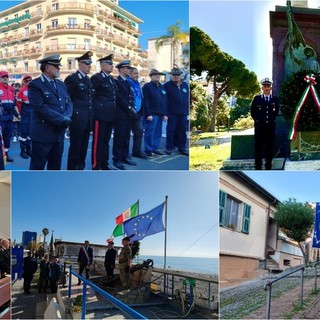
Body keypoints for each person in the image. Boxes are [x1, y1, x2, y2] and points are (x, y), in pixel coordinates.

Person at [28, 54, 73, 170]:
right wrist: (62, 119)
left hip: (58, 135)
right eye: (56, 66)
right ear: (48, 68)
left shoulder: (61, 84)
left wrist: (68, 116)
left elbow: (69, 103)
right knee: (37, 168)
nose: (59, 69)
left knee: (55, 167)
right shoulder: (35, 85)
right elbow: (40, 108)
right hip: (43, 135)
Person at [65, 51, 94, 170]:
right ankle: (71, 170)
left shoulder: (88, 80)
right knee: (75, 147)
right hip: (77, 119)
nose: (89, 67)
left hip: (87, 119)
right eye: (87, 64)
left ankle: (80, 167)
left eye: (90, 64)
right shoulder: (72, 79)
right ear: (80, 64)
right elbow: (68, 99)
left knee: (84, 146)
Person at [90, 54, 117, 170]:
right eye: (110, 64)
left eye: (112, 64)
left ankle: (104, 163)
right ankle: (96, 165)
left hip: (110, 114)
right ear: (102, 65)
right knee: (97, 142)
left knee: (106, 141)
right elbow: (91, 96)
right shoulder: (96, 78)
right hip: (100, 115)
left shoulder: (111, 79)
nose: (112, 66)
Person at [113, 60, 137, 170]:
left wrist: (132, 108)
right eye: (127, 68)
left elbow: (130, 97)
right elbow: (119, 98)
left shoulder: (127, 82)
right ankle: (117, 159)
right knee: (119, 137)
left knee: (126, 137)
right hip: (120, 114)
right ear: (121, 69)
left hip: (128, 114)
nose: (129, 70)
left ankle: (125, 156)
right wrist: (129, 108)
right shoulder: (117, 81)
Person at [251, 78, 279, 170]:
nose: (266, 88)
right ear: (262, 88)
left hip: (270, 128)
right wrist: (259, 121)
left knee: (269, 148)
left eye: (268, 86)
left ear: (271, 88)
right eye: (265, 86)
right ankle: (258, 167)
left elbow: (276, 113)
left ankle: (268, 167)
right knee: (258, 148)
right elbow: (253, 113)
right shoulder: (257, 99)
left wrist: (269, 121)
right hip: (259, 128)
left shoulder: (275, 99)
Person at [142, 69, 168, 158]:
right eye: (155, 74)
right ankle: (148, 150)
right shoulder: (147, 86)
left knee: (157, 133)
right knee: (150, 133)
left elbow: (164, 101)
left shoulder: (161, 86)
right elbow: (146, 101)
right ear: (151, 76)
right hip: (152, 114)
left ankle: (154, 148)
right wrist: (148, 114)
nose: (157, 76)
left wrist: (165, 113)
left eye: (158, 75)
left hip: (160, 114)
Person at [164, 67, 189, 156]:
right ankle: (169, 148)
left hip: (183, 113)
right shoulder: (167, 86)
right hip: (172, 113)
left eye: (177, 75)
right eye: (174, 75)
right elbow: (164, 100)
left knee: (182, 131)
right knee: (171, 130)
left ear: (180, 75)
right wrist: (165, 113)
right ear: (171, 76)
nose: (176, 76)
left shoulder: (185, 85)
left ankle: (182, 148)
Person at [127, 67, 147, 159]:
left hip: (138, 112)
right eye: (135, 73)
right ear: (130, 74)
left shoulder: (138, 84)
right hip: (128, 113)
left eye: (138, 73)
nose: (137, 75)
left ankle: (137, 151)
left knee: (139, 132)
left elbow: (141, 97)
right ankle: (125, 153)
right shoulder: (127, 82)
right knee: (125, 134)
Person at [0, 71, 16, 162]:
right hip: (1, 118)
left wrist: (16, 114)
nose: (5, 78)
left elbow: (14, 102)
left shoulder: (11, 89)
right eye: (3, 77)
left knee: (7, 137)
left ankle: (6, 155)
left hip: (9, 118)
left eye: (6, 76)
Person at [16, 74, 33, 159]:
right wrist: (21, 113)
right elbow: (19, 104)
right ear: (24, 82)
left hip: (33, 114)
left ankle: (29, 150)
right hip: (25, 114)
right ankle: (22, 151)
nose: (29, 81)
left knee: (31, 134)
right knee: (24, 134)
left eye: (30, 80)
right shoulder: (22, 90)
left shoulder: (34, 90)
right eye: (27, 80)